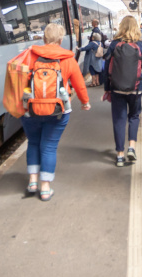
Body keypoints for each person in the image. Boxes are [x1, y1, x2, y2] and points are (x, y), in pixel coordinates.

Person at [22, 23, 91, 201]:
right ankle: (45, 188)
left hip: (30, 109)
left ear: (44, 38)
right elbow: (79, 85)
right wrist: (85, 102)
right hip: (58, 110)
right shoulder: (68, 59)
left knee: (33, 143)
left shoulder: (30, 55)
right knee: (49, 146)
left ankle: (32, 181)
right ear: (61, 40)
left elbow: (18, 80)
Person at [103, 15, 142, 167]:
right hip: (136, 88)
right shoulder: (141, 45)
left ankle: (120, 155)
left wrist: (107, 88)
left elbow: (106, 68)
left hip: (117, 88)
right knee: (134, 116)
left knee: (119, 120)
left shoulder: (114, 45)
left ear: (121, 27)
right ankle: (131, 147)